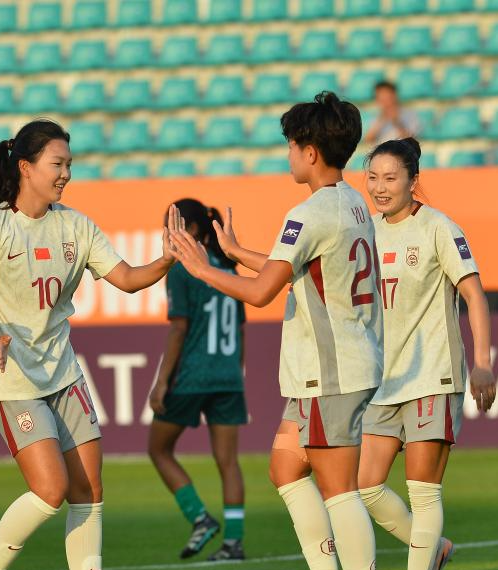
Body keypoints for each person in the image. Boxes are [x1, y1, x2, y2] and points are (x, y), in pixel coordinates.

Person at [169, 91, 382, 570]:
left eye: (291, 145)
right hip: (330, 368)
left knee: (339, 490)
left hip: (332, 372)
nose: (288, 154)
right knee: (285, 468)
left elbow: (262, 291)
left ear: (311, 152)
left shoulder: (308, 213)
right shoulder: (352, 203)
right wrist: (235, 251)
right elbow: (294, 269)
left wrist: (203, 269)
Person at [0, 119, 182, 570]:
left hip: (63, 374)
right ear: (25, 167)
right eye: (57, 164)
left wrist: (167, 258)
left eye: (69, 165)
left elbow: (127, 279)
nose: (65, 174)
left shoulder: (76, 225)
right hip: (13, 378)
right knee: (50, 490)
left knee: (89, 490)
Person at [358, 137, 497, 570]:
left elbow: (474, 295)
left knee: (423, 492)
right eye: (373, 177)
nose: (380, 187)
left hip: (432, 375)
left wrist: (483, 363)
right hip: (382, 380)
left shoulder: (439, 227)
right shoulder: (366, 231)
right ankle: (435, 550)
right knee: (365, 486)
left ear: (413, 180)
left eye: (390, 178)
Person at [147, 199, 247, 562]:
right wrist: (235, 371)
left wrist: (162, 381)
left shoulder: (182, 269)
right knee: (228, 462)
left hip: (192, 375)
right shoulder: (230, 270)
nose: (167, 233)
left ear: (190, 229)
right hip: (228, 377)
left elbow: (178, 330)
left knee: (159, 449)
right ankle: (233, 543)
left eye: (172, 224)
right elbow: (240, 331)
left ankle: (200, 517)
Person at [365, 81, 422, 146]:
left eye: (387, 97)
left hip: (403, 150)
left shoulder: (410, 114)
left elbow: (412, 141)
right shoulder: (376, 116)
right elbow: (368, 140)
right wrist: (381, 120)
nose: (384, 102)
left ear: (394, 95)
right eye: (380, 98)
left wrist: (396, 122)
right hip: (382, 150)